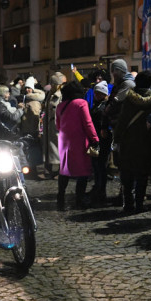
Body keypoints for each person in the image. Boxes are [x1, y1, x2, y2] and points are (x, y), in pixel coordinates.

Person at [114, 70, 151, 213]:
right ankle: (139, 203)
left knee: (127, 173)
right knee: (142, 174)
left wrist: (116, 138)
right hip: (147, 141)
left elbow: (122, 121)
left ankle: (128, 204)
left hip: (129, 141)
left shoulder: (129, 99)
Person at [54, 82, 99, 210]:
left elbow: (58, 125)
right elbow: (88, 122)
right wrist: (95, 138)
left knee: (64, 169)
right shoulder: (81, 103)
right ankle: (80, 200)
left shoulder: (60, 106)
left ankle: (60, 199)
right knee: (82, 171)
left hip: (64, 140)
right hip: (79, 139)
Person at [88, 81, 112, 205]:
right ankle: (98, 187)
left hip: (102, 140)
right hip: (96, 139)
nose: (96, 95)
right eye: (95, 93)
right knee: (97, 166)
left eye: (99, 93)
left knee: (101, 166)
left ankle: (101, 190)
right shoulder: (98, 104)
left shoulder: (104, 106)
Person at [41, 72, 65, 178]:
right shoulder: (49, 94)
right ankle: (49, 169)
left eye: (54, 83)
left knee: (58, 148)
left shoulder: (61, 96)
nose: (52, 85)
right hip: (48, 126)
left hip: (57, 126)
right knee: (48, 148)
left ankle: (61, 170)